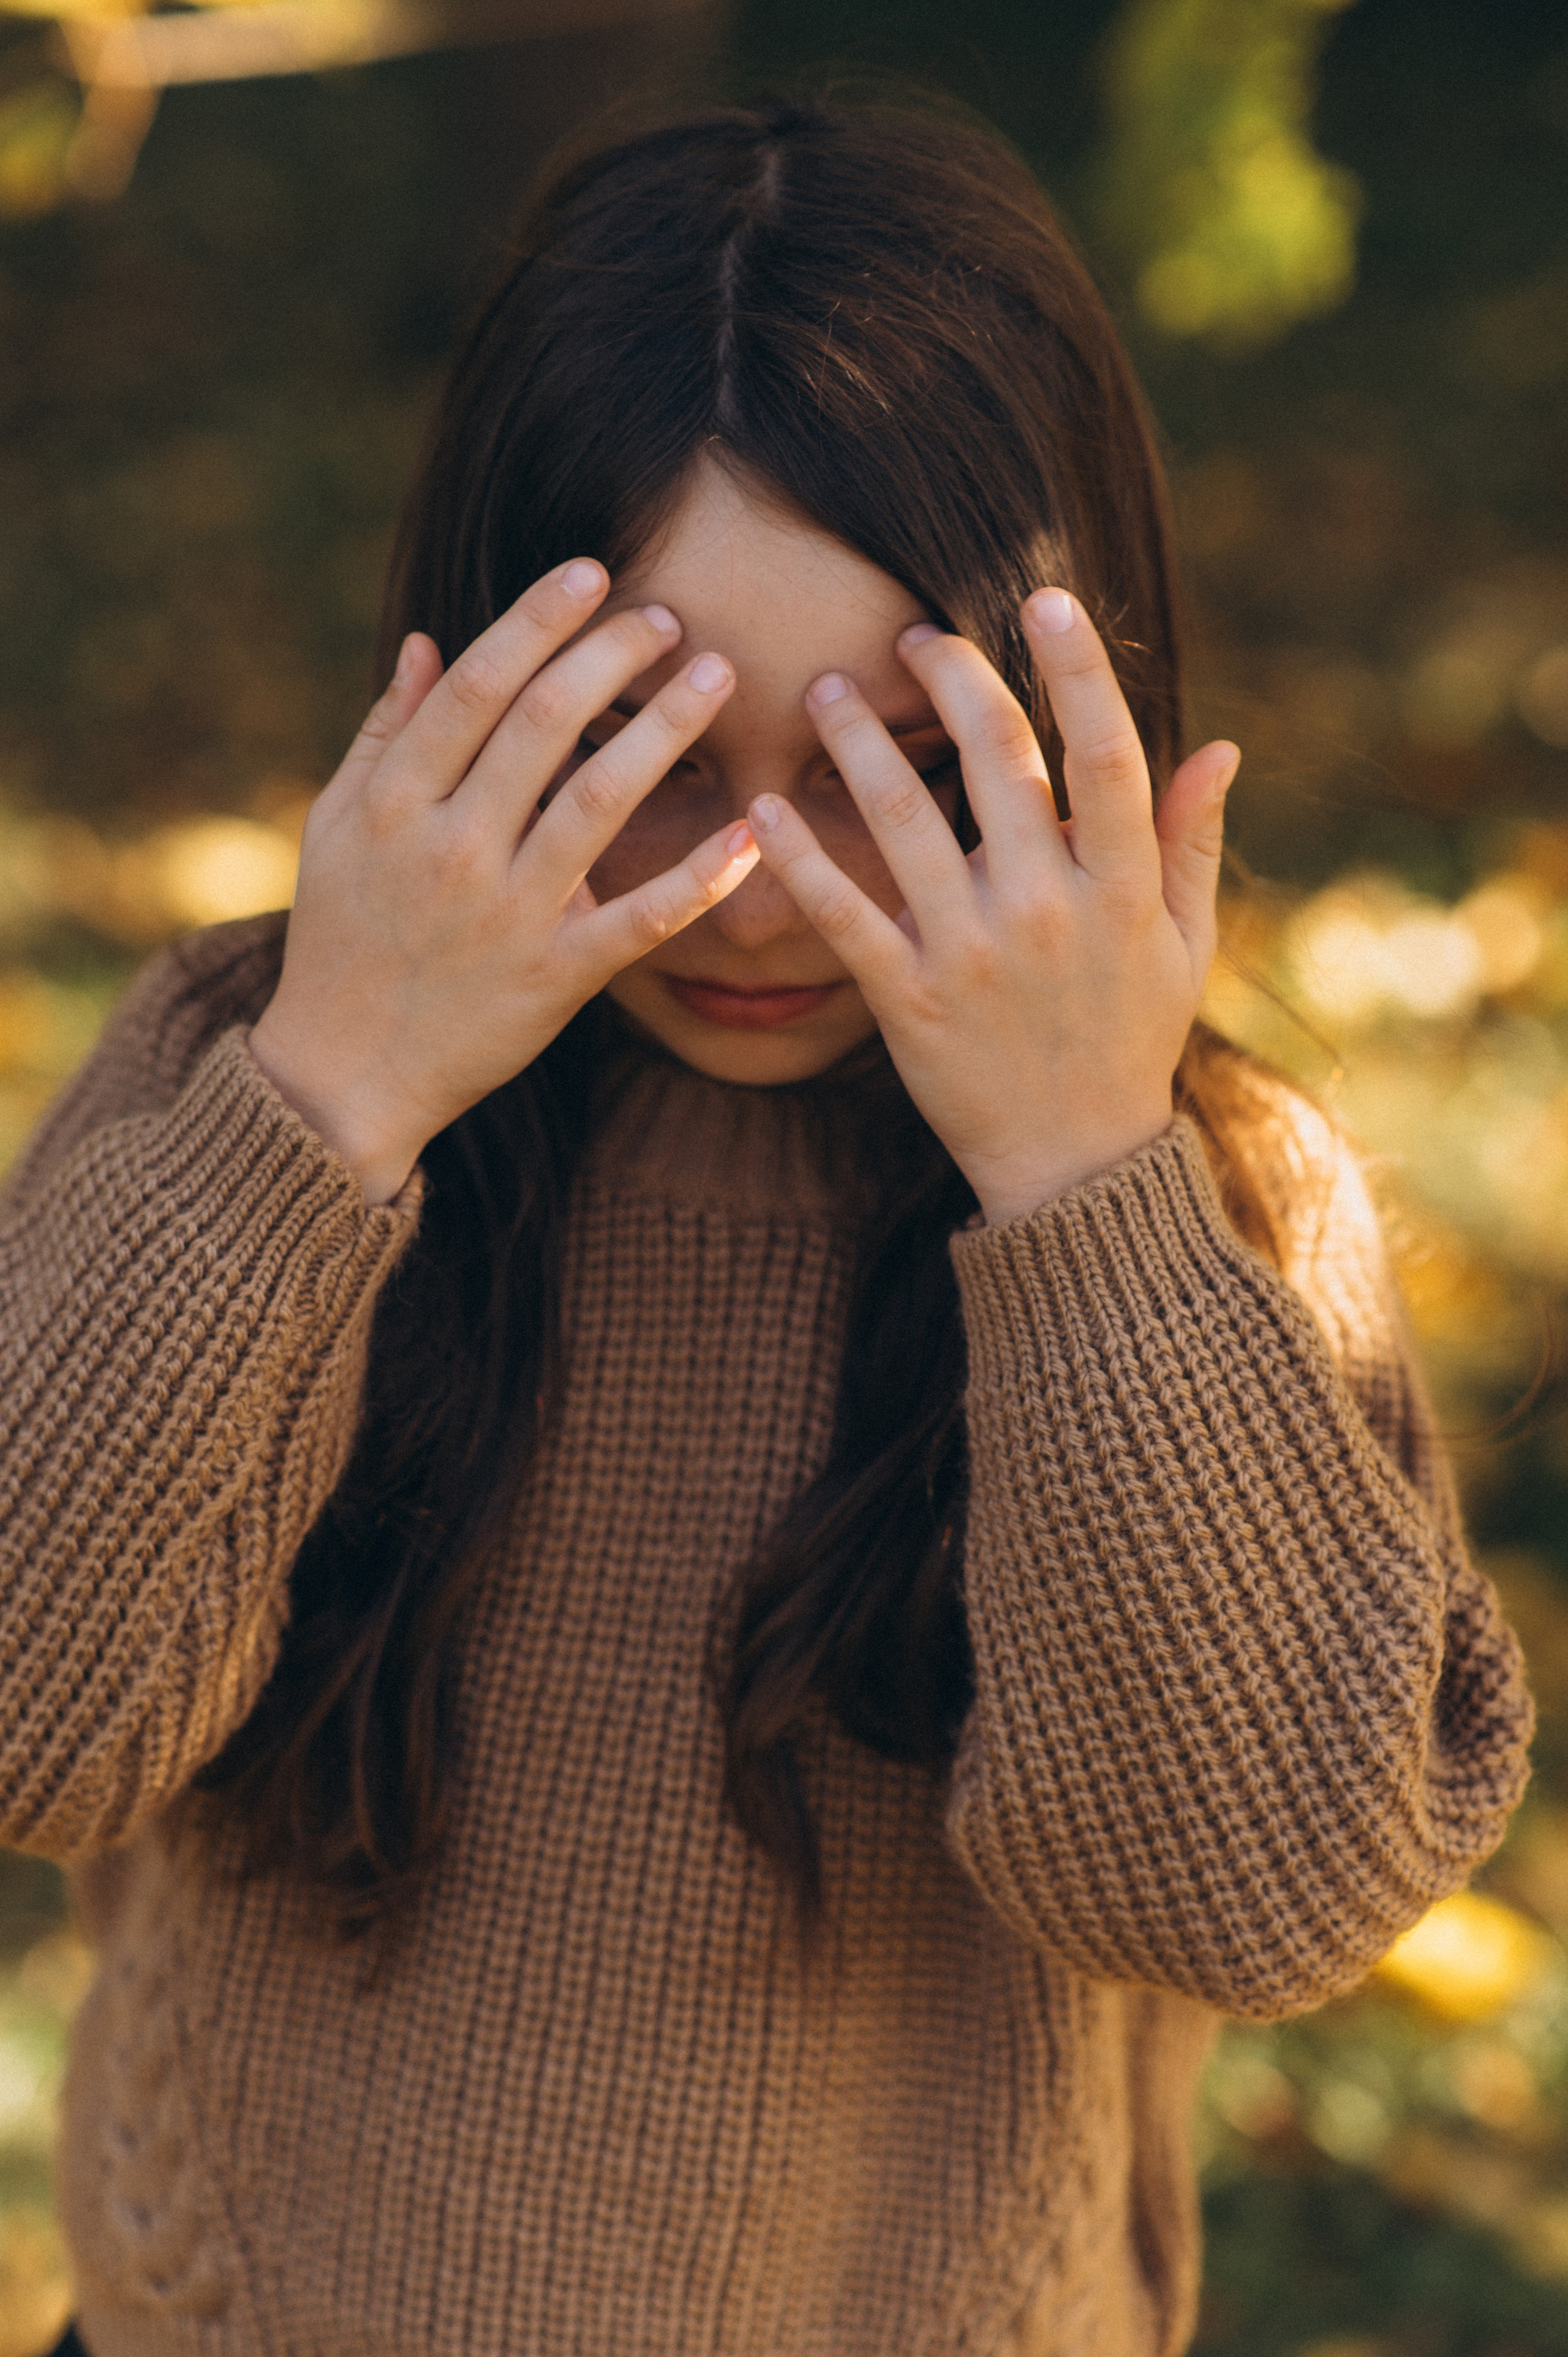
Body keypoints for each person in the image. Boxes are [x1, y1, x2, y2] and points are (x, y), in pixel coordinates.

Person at [2, 92, 1532, 2357]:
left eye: (889, 771)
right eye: (652, 756)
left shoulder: (1211, 1203)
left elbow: (1259, 1898)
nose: (763, 891)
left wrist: (1080, 1182)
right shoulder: (259, 1071)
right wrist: (334, 1099)